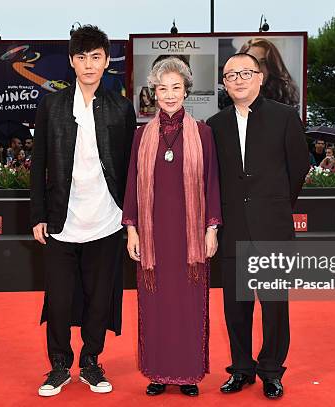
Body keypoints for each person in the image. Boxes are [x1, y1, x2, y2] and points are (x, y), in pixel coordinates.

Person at [30, 25, 136, 397]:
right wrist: (38, 215)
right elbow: (39, 161)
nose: (89, 64)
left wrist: (131, 220)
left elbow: (130, 169)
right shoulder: (53, 106)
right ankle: (58, 365)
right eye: (82, 57)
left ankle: (91, 362)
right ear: (72, 62)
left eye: (96, 57)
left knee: (98, 299)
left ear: (106, 61)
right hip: (62, 222)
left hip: (106, 221)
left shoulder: (122, 108)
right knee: (58, 300)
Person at [206, 53, 310, 399]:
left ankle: (271, 371)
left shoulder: (284, 118)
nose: (238, 79)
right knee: (236, 308)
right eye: (230, 75)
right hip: (232, 229)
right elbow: (213, 180)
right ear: (224, 83)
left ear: (260, 77)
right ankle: (241, 369)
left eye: (245, 73)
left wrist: (275, 207)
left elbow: (298, 171)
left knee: (274, 307)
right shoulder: (214, 125)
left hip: (272, 228)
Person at [122, 57, 222, 397]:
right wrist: (131, 229)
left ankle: (189, 374)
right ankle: (158, 373)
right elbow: (132, 184)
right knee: (156, 304)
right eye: (162, 88)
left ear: (186, 91)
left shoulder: (204, 133)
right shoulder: (140, 136)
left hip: (190, 237)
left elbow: (212, 185)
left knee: (188, 305)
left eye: (175, 88)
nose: (168, 95)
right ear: (153, 92)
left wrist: (211, 229)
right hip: (153, 238)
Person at [239, 38, 300, 108]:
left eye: (263, 62)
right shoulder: (228, 99)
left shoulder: (286, 98)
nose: (257, 69)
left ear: (272, 65)